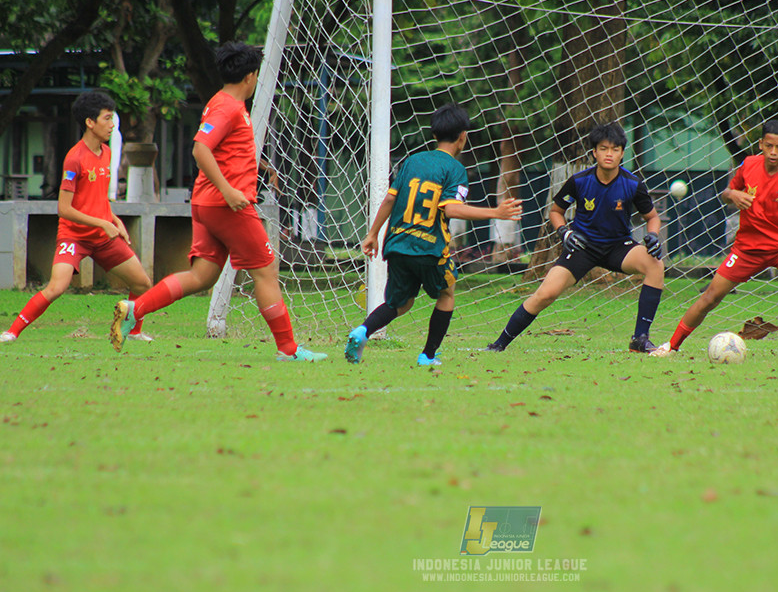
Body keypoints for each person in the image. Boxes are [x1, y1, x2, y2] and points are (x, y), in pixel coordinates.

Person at [109, 41, 326, 362]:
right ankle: (289, 350)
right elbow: (200, 149)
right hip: (226, 206)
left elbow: (225, 151)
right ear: (251, 76)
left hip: (208, 203)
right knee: (266, 270)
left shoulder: (222, 102)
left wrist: (252, 173)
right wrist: (228, 190)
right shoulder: (228, 107)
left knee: (202, 277)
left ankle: (134, 310)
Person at [653, 119, 778, 361]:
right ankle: (671, 346)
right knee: (710, 297)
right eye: (768, 145)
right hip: (747, 250)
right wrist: (734, 195)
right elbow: (726, 193)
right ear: (760, 144)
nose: (773, 152)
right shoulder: (748, 165)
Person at [344, 103, 522, 365]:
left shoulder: (412, 161)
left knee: (400, 304)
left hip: (397, 243)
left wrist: (372, 234)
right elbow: (450, 208)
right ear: (463, 136)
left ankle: (362, 331)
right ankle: (427, 356)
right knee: (447, 293)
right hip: (429, 246)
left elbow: (390, 200)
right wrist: (496, 213)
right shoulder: (455, 170)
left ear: (434, 134)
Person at [486, 121, 665, 354]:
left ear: (622, 153)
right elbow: (555, 211)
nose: (608, 154)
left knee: (656, 265)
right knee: (546, 293)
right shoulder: (579, 181)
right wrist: (564, 232)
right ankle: (500, 343)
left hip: (619, 246)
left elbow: (653, 217)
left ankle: (640, 339)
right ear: (594, 152)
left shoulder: (633, 184)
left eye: (614, 149)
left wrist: (652, 235)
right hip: (582, 247)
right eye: (603, 148)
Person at [1, 91, 152, 343]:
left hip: (104, 236)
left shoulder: (106, 152)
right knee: (56, 287)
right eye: (107, 119)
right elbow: (64, 209)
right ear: (89, 122)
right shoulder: (74, 158)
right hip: (74, 236)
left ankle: (132, 331)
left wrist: (114, 219)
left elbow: (98, 198)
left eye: (112, 119)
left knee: (142, 284)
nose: (112, 125)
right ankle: (11, 332)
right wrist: (103, 222)